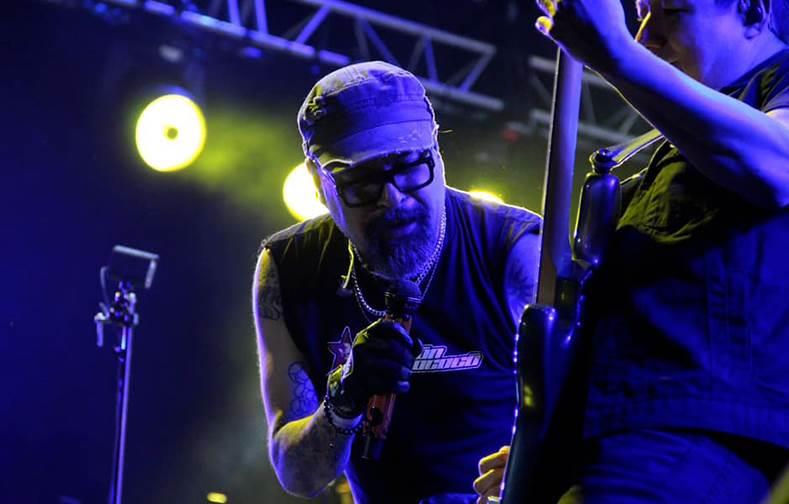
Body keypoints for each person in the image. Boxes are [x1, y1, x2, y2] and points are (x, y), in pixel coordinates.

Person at [474, 0, 789, 501]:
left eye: (668, 12)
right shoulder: (668, 149)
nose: (646, 36)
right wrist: (564, 436)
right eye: (640, 14)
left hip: (690, 438)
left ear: (753, 10)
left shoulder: (774, 95)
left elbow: (781, 165)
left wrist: (614, 54)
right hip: (622, 438)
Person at [252, 61, 542, 503]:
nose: (393, 197)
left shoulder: (514, 250)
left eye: (409, 166)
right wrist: (343, 399)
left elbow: (599, 414)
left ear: (437, 154)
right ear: (318, 182)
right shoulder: (287, 267)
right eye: (362, 180)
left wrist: (533, 470)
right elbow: (298, 475)